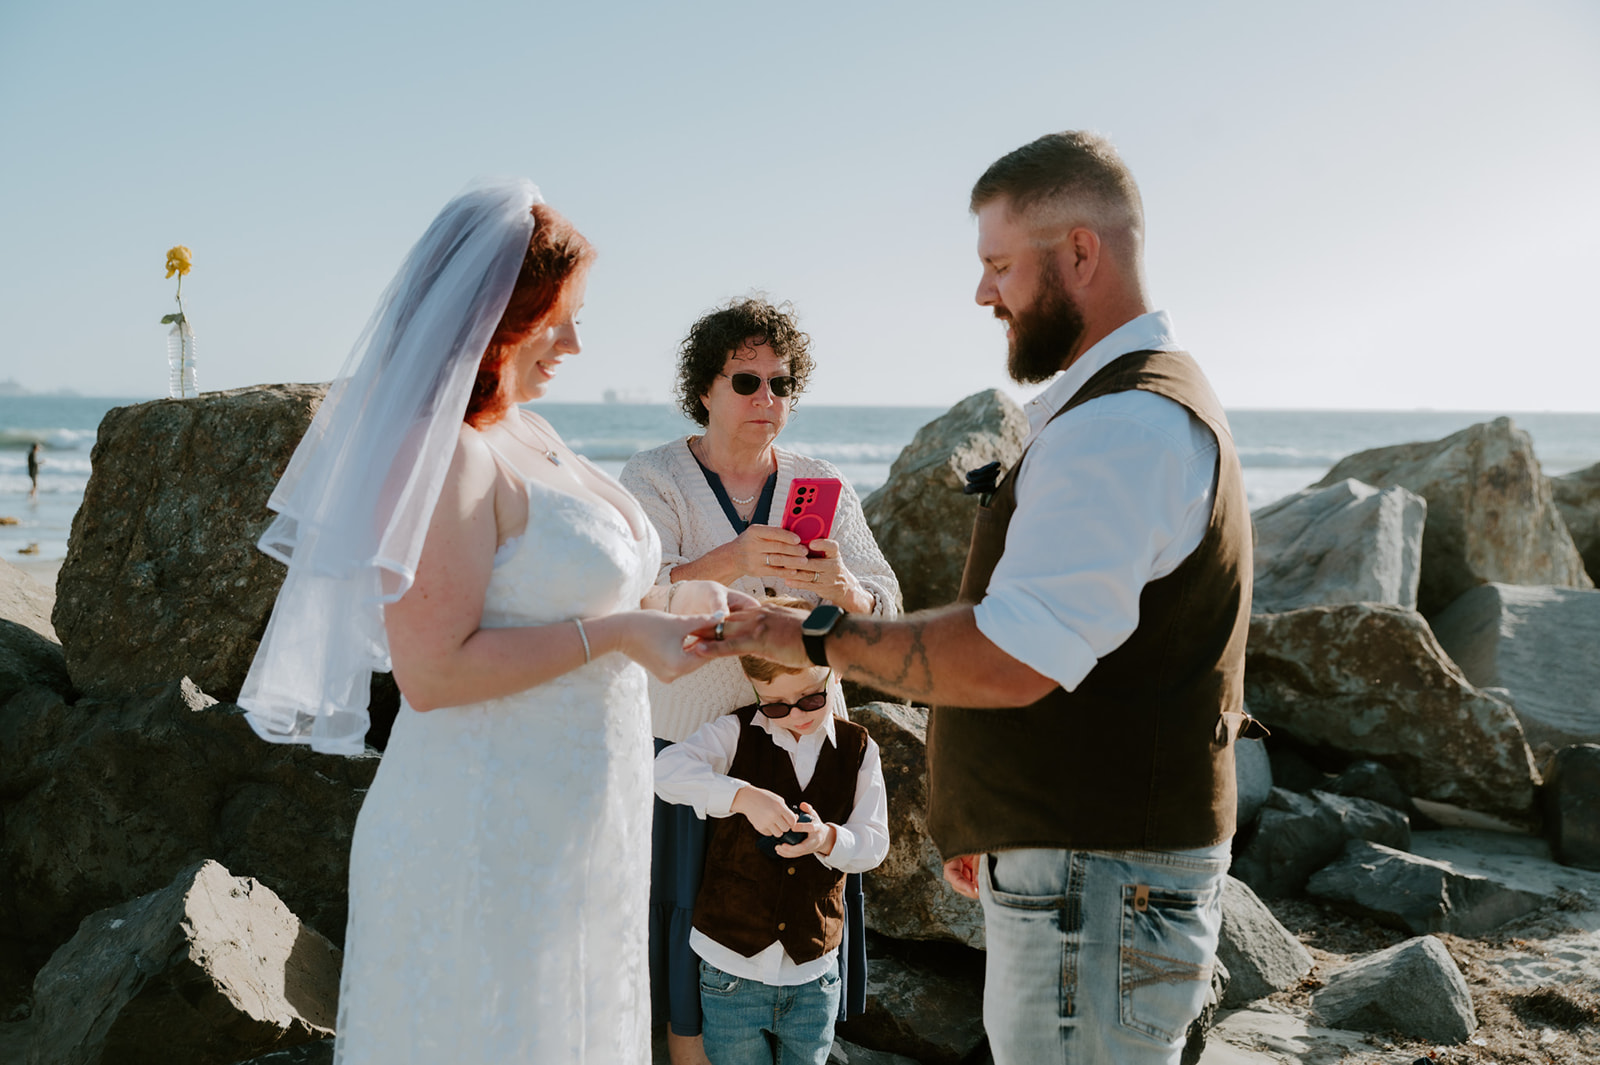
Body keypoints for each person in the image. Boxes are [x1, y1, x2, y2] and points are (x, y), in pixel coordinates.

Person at [698, 131, 1254, 1065]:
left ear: (1081, 252)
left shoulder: (1120, 427)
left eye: (1000, 264)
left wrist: (812, 633)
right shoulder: (1135, 408)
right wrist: (991, 826)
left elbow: (1008, 654)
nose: (982, 292)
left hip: (1098, 883)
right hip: (1091, 873)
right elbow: (1097, 645)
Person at [238, 180, 731, 1064]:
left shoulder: (535, 435)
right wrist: (620, 635)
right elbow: (432, 673)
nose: (577, 342)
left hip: (580, 822)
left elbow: (577, 595)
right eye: (559, 319)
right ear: (498, 319)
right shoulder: (444, 456)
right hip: (481, 829)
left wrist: (681, 603)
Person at [620, 296, 900, 1065]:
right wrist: (735, 557)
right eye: (746, 381)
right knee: (691, 931)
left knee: (801, 912)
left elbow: (889, 601)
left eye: (781, 383)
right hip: (694, 739)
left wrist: (845, 587)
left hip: (809, 735)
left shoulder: (820, 481)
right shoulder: (655, 476)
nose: (766, 400)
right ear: (703, 389)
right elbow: (635, 593)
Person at [653, 598, 888, 1065]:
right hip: (730, 970)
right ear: (755, 690)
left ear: (834, 674)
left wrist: (827, 841)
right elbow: (666, 769)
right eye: (776, 704)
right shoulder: (736, 733)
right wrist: (741, 797)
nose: (796, 713)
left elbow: (874, 842)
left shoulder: (860, 749)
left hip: (813, 976)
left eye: (811, 698)